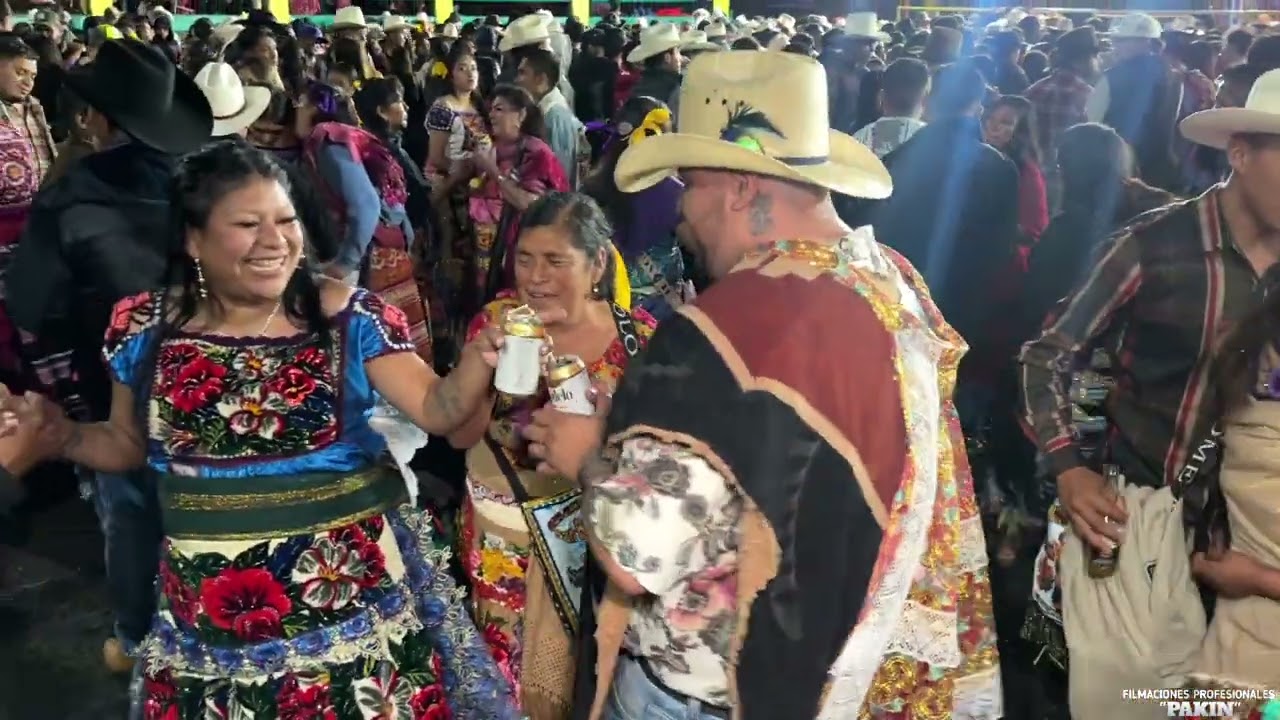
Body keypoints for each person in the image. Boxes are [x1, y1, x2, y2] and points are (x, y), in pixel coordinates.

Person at [524, 51, 999, 720]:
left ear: (742, 188)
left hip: (707, 689)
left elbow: (635, 555)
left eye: (691, 184)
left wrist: (588, 456)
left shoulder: (727, 327)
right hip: (837, 666)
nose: (680, 211)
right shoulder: (890, 280)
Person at [8, 141, 538, 719]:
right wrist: (63, 436)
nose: (275, 240)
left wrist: (478, 362)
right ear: (192, 239)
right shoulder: (144, 326)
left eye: (287, 221)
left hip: (345, 604)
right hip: (212, 612)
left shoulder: (345, 316)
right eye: (247, 224)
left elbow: (436, 408)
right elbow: (126, 444)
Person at [6, 39, 214, 673]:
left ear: (97, 117)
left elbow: (32, 303)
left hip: (115, 383)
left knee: (129, 508)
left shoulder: (73, 194)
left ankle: (134, 637)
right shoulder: (218, 177)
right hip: (220, 375)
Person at [450, 192, 655, 718]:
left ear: (597, 264)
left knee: (579, 670)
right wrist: (483, 369)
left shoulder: (637, 339)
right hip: (504, 539)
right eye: (525, 259)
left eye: (555, 261)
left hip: (590, 543)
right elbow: (460, 436)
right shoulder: (498, 321)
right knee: (501, 674)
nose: (535, 277)